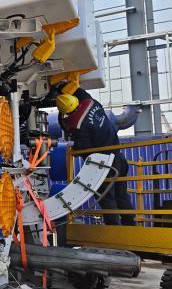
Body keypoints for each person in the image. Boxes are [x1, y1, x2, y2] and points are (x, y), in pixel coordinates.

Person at [56, 87, 135, 226]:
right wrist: (65, 87)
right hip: (119, 157)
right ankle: (130, 227)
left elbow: (83, 150)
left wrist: (73, 148)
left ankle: (113, 230)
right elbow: (80, 91)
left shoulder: (78, 126)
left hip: (104, 165)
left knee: (107, 198)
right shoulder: (91, 103)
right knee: (122, 196)